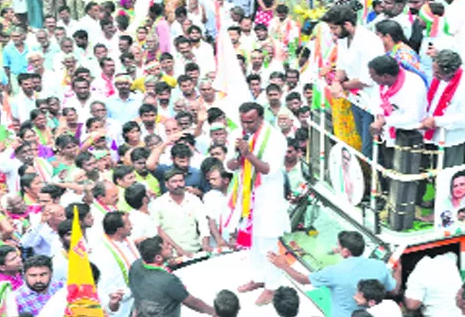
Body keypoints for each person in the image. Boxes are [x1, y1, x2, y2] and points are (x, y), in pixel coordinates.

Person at [227, 102, 290, 305]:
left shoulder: (275, 138)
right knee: (252, 241)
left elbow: (268, 169)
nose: (246, 126)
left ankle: (273, 286)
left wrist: (248, 154)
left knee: (268, 242)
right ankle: (258, 278)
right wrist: (237, 159)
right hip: (246, 196)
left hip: (267, 197)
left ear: (261, 118)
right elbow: (229, 165)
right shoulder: (238, 134)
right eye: (243, 121)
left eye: (250, 122)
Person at [269, 231, 400, 317]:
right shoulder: (380, 266)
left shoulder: (333, 271)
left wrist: (282, 265)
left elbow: (302, 279)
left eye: (338, 246)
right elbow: (394, 290)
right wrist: (398, 269)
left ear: (346, 252)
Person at [327, 5, 384, 157]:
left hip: (372, 100)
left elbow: (368, 79)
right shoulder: (343, 39)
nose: (332, 33)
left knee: (369, 148)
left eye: (334, 28)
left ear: (347, 25)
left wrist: (342, 86)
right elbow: (341, 65)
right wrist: (336, 82)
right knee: (360, 142)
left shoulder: (369, 41)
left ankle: (376, 180)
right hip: (355, 98)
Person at [129, 236, 216, 316]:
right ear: (158, 258)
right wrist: (215, 312)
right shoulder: (167, 280)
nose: (171, 247)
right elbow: (193, 303)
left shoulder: (135, 265)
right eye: (166, 248)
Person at [420, 50, 465, 167]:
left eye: (438, 73)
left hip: (450, 138)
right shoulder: (440, 78)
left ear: (452, 72)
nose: (434, 75)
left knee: (447, 173)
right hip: (428, 132)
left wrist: (437, 121)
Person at [404, 251, 463, 316]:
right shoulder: (447, 260)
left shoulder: (416, 274)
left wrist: (402, 295)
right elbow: (453, 255)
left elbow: (412, 305)